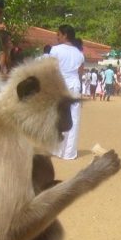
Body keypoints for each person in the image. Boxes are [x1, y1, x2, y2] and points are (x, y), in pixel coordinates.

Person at [50, 24, 85, 160]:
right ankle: (69, 153)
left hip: (60, 85)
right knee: (74, 119)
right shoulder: (79, 53)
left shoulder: (55, 50)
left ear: (64, 35)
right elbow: (80, 73)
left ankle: (58, 150)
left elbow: (52, 70)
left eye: (58, 35)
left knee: (58, 117)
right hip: (75, 85)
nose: (57, 37)